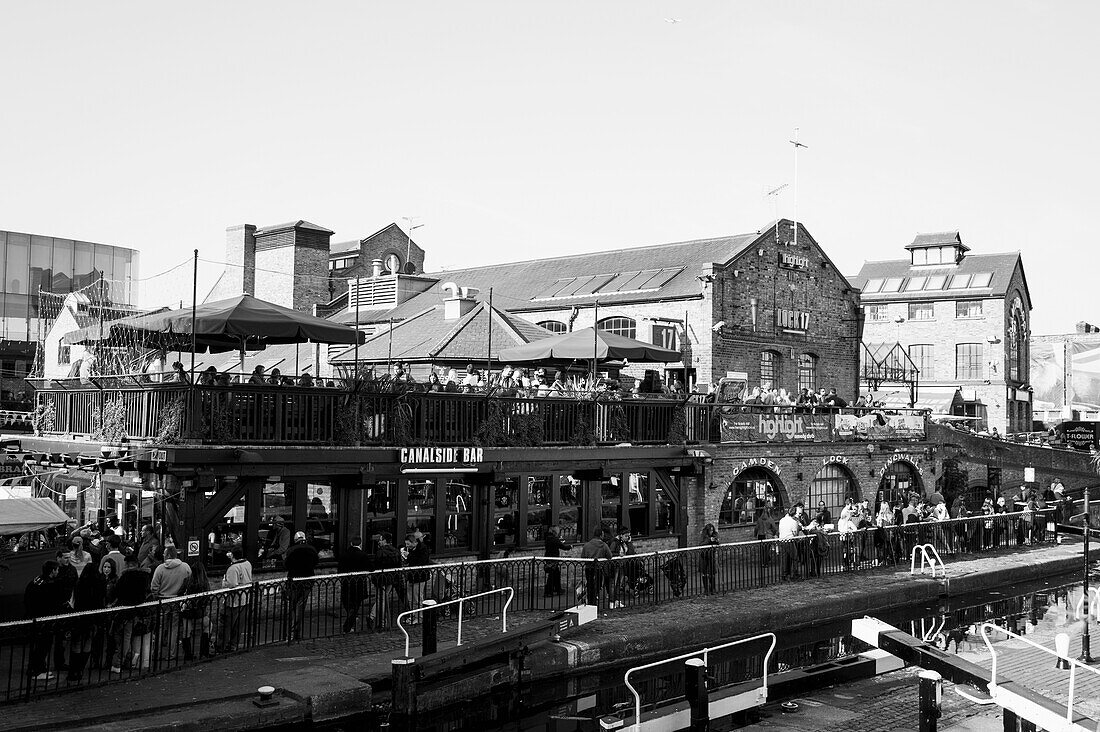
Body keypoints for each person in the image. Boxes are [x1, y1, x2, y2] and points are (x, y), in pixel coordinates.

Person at [150, 546, 192, 664]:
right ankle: (171, 654)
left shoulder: (160, 568)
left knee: (160, 628)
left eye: (164, 553)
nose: (163, 555)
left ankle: (156, 654)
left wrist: (156, 595)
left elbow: (154, 587)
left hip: (163, 600)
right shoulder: (185, 567)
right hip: (178, 600)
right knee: (174, 628)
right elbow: (189, 582)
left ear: (168, 555)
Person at [111, 555, 152, 674]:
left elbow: (117, 592)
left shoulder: (125, 577)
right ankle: (130, 657)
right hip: (137, 609)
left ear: (128, 564)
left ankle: (119, 661)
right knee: (125, 635)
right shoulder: (145, 576)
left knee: (121, 635)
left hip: (124, 609)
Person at [68, 563, 108, 682]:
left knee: (78, 642)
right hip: (94, 616)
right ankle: (80, 669)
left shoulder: (80, 584)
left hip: (80, 616)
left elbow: (74, 600)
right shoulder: (100, 583)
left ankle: (74, 669)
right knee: (88, 641)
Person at [25, 560, 64, 680]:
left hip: (35, 618)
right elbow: (52, 603)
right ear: (52, 571)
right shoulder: (48, 585)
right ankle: (36, 671)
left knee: (39, 646)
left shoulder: (36, 581)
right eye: (57, 570)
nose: (58, 572)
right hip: (44, 620)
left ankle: (38, 668)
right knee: (43, 646)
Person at [284, 531, 319, 642]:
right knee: (300, 606)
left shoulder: (291, 550)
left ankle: (291, 632)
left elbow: (286, 565)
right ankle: (296, 633)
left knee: (293, 607)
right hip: (307, 581)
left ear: (295, 540)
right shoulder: (312, 549)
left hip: (294, 581)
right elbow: (316, 562)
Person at [219, 546, 253, 653]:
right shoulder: (248, 563)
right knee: (239, 624)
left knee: (226, 625)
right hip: (245, 597)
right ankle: (233, 645)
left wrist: (224, 582)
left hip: (233, 600)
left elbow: (231, 584)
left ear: (233, 555)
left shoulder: (233, 568)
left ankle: (221, 646)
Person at [369, 533, 403, 630]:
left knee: (381, 599)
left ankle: (381, 621)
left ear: (385, 541)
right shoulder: (396, 551)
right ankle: (373, 616)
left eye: (380, 539)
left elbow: (375, 565)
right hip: (390, 579)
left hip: (381, 579)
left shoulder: (380, 552)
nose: (379, 541)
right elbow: (399, 565)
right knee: (383, 598)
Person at [338, 537, 373, 633]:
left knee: (348, 604)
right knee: (356, 605)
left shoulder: (344, 554)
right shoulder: (363, 555)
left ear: (351, 543)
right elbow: (370, 568)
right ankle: (349, 625)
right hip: (359, 583)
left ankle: (351, 623)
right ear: (360, 544)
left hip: (347, 583)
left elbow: (339, 570)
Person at [180, 561, 212, 661]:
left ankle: (188, 654)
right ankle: (204, 652)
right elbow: (207, 597)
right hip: (200, 610)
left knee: (186, 631)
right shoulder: (204, 583)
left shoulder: (187, 581)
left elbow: (180, 593)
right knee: (208, 627)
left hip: (187, 610)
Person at [402, 532, 432, 620]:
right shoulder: (410, 549)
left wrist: (409, 556)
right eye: (406, 544)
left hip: (419, 577)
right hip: (410, 576)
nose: (407, 546)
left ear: (414, 542)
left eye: (408, 544)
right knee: (410, 598)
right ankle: (413, 615)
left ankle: (419, 617)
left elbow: (420, 561)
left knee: (417, 598)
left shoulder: (423, 549)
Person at [580, 529, 613, 609]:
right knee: (597, 585)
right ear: (601, 535)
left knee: (590, 584)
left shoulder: (587, 545)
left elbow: (583, 557)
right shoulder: (603, 545)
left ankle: (590, 601)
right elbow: (610, 556)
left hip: (589, 568)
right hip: (598, 568)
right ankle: (594, 602)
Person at [543, 525, 571, 597]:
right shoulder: (554, 539)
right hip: (553, 559)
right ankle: (549, 591)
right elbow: (563, 546)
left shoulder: (548, 538)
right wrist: (570, 546)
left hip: (549, 558)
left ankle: (557, 589)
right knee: (552, 575)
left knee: (556, 574)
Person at [778, 507, 803, 580]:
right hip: (790, 541)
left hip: (782, 540)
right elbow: (795, 533)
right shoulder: (793, 522)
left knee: (784, 558)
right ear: (794, 514)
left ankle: (784, 574)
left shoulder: (782, 520)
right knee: (794, 558)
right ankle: (794, 574)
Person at [699, 523, 720, 594]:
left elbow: (717, 543)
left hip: (711, 555)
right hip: (704, 556)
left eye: (712, 530)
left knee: (712, 572)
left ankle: (713, 588)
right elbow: (701, 544)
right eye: (710, 530)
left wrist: (716, 541)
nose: (711, 532)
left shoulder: (714, 534)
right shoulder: (703, 536)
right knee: (704, 573)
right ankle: (706, 589)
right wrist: (709, 540)